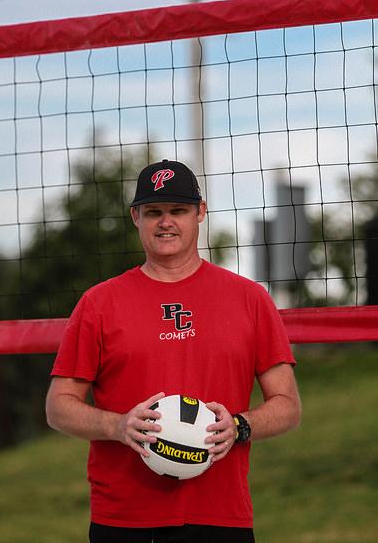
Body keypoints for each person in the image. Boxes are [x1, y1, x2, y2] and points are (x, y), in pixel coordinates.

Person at [46, 159, 302, 543]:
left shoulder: (250, 299)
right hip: (124, 519)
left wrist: (239, 426)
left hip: (221, 517)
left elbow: (288, 405)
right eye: (154, 212)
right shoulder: (99, 303)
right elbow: (58, 406)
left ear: (200, 211)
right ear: (136, 216)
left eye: (178, 210)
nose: (166, 222)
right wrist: (116, 426)